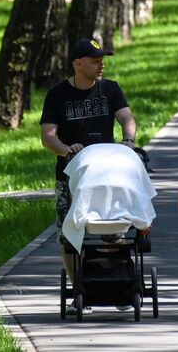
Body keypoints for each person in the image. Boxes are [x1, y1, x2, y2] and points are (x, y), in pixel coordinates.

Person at [40, 38, 137, 315]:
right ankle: (79, 291)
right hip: (70, 175)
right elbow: (48, 136)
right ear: (78, 63)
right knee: (70, 237)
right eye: (95, 60)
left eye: (102, 59)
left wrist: (128, 140)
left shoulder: (110, 89)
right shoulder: (57, 95)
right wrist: (65, 149)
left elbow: (127, 119)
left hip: (107, 175)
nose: (101, 64)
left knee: (112, 232)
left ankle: (117, 286)